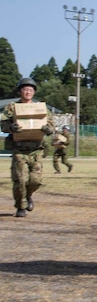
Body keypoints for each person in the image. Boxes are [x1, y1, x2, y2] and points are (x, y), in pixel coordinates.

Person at [0, 78, 55, 217]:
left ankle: (28, 195)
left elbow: (51, 125)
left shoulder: (40, 108)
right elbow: (4, 124)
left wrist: (48, 129)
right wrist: (11, 127)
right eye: (25, 89)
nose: (28, 91)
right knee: (20, 180)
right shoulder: (12, 107)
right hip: (19, 150)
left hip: (36, 149)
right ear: (20, 91)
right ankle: (21, 206)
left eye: (31, 89)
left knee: (36, 180)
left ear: (34, 92)